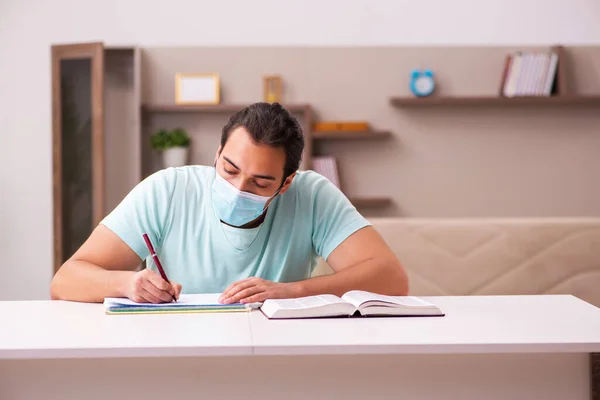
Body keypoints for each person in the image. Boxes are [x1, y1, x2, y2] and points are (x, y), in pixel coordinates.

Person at [50, 102, 409, 304]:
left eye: (260, 182)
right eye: (230, 169)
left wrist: (290, 291)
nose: (239, 188)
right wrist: (127, 284)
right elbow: (66, 280)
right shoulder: (167, 190)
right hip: (178, 355)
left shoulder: (311, 194)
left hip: (277, 357)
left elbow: (391, 278)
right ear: (217, 153)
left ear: (285, 183)